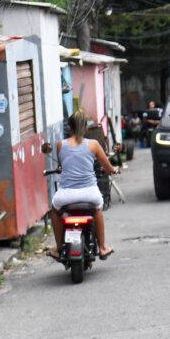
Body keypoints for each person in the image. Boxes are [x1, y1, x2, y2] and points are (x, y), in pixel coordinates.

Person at [49, 110, 117, 259]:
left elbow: (62, 166)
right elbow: (108, 168)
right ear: (85, 127)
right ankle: (103, 247)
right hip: (89, 194)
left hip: (65, 195)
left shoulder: (61, 145)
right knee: (97, 209)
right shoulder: (94, 145)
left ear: (70, 128)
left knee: (54, 210)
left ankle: (58, 248)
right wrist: (113, 170)